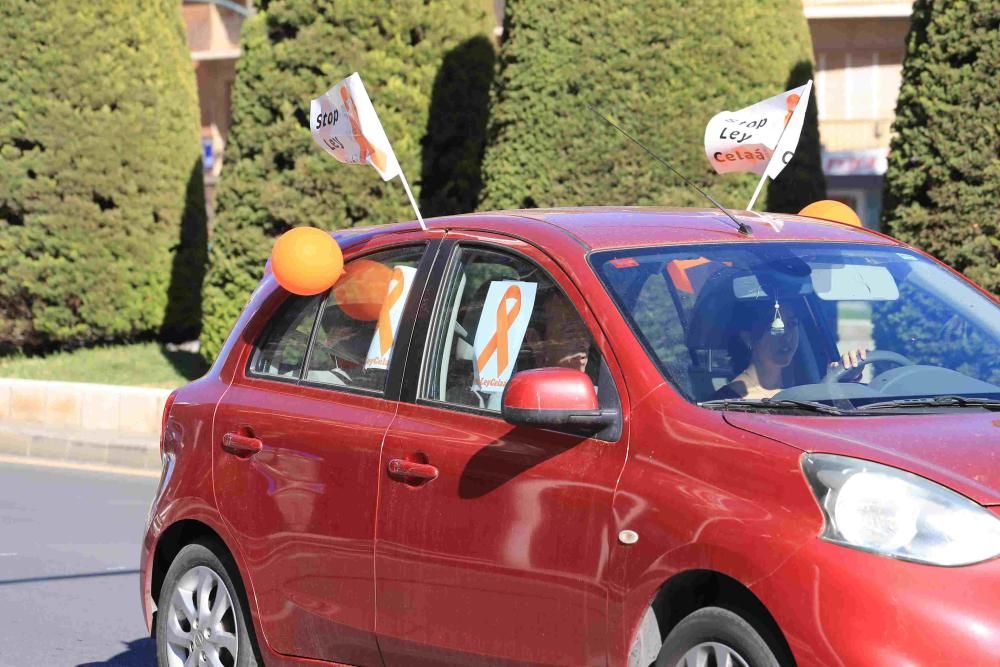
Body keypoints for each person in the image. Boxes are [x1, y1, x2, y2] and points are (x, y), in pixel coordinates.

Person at [717, 299, 866, 400]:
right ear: (748, 338)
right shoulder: (725, 402)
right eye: (776, 327)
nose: (787, 336)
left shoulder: (807, 390)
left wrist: (845, 379)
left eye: (792, 324)